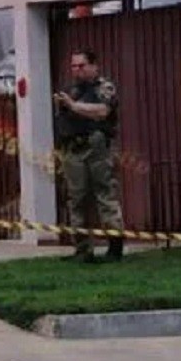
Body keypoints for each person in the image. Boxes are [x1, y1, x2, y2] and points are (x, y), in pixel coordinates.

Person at [55, 48, 124, 262]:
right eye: (74, 66)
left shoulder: (105, 87)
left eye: (81, 66)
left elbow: (102, 111)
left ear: (94, 66)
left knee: (105, 194)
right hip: (72, 148)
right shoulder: (70, 90)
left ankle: (115, 248)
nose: (77, 70)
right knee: (76, 199)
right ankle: (82, 249)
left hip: (96, 145)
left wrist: (74, 106)